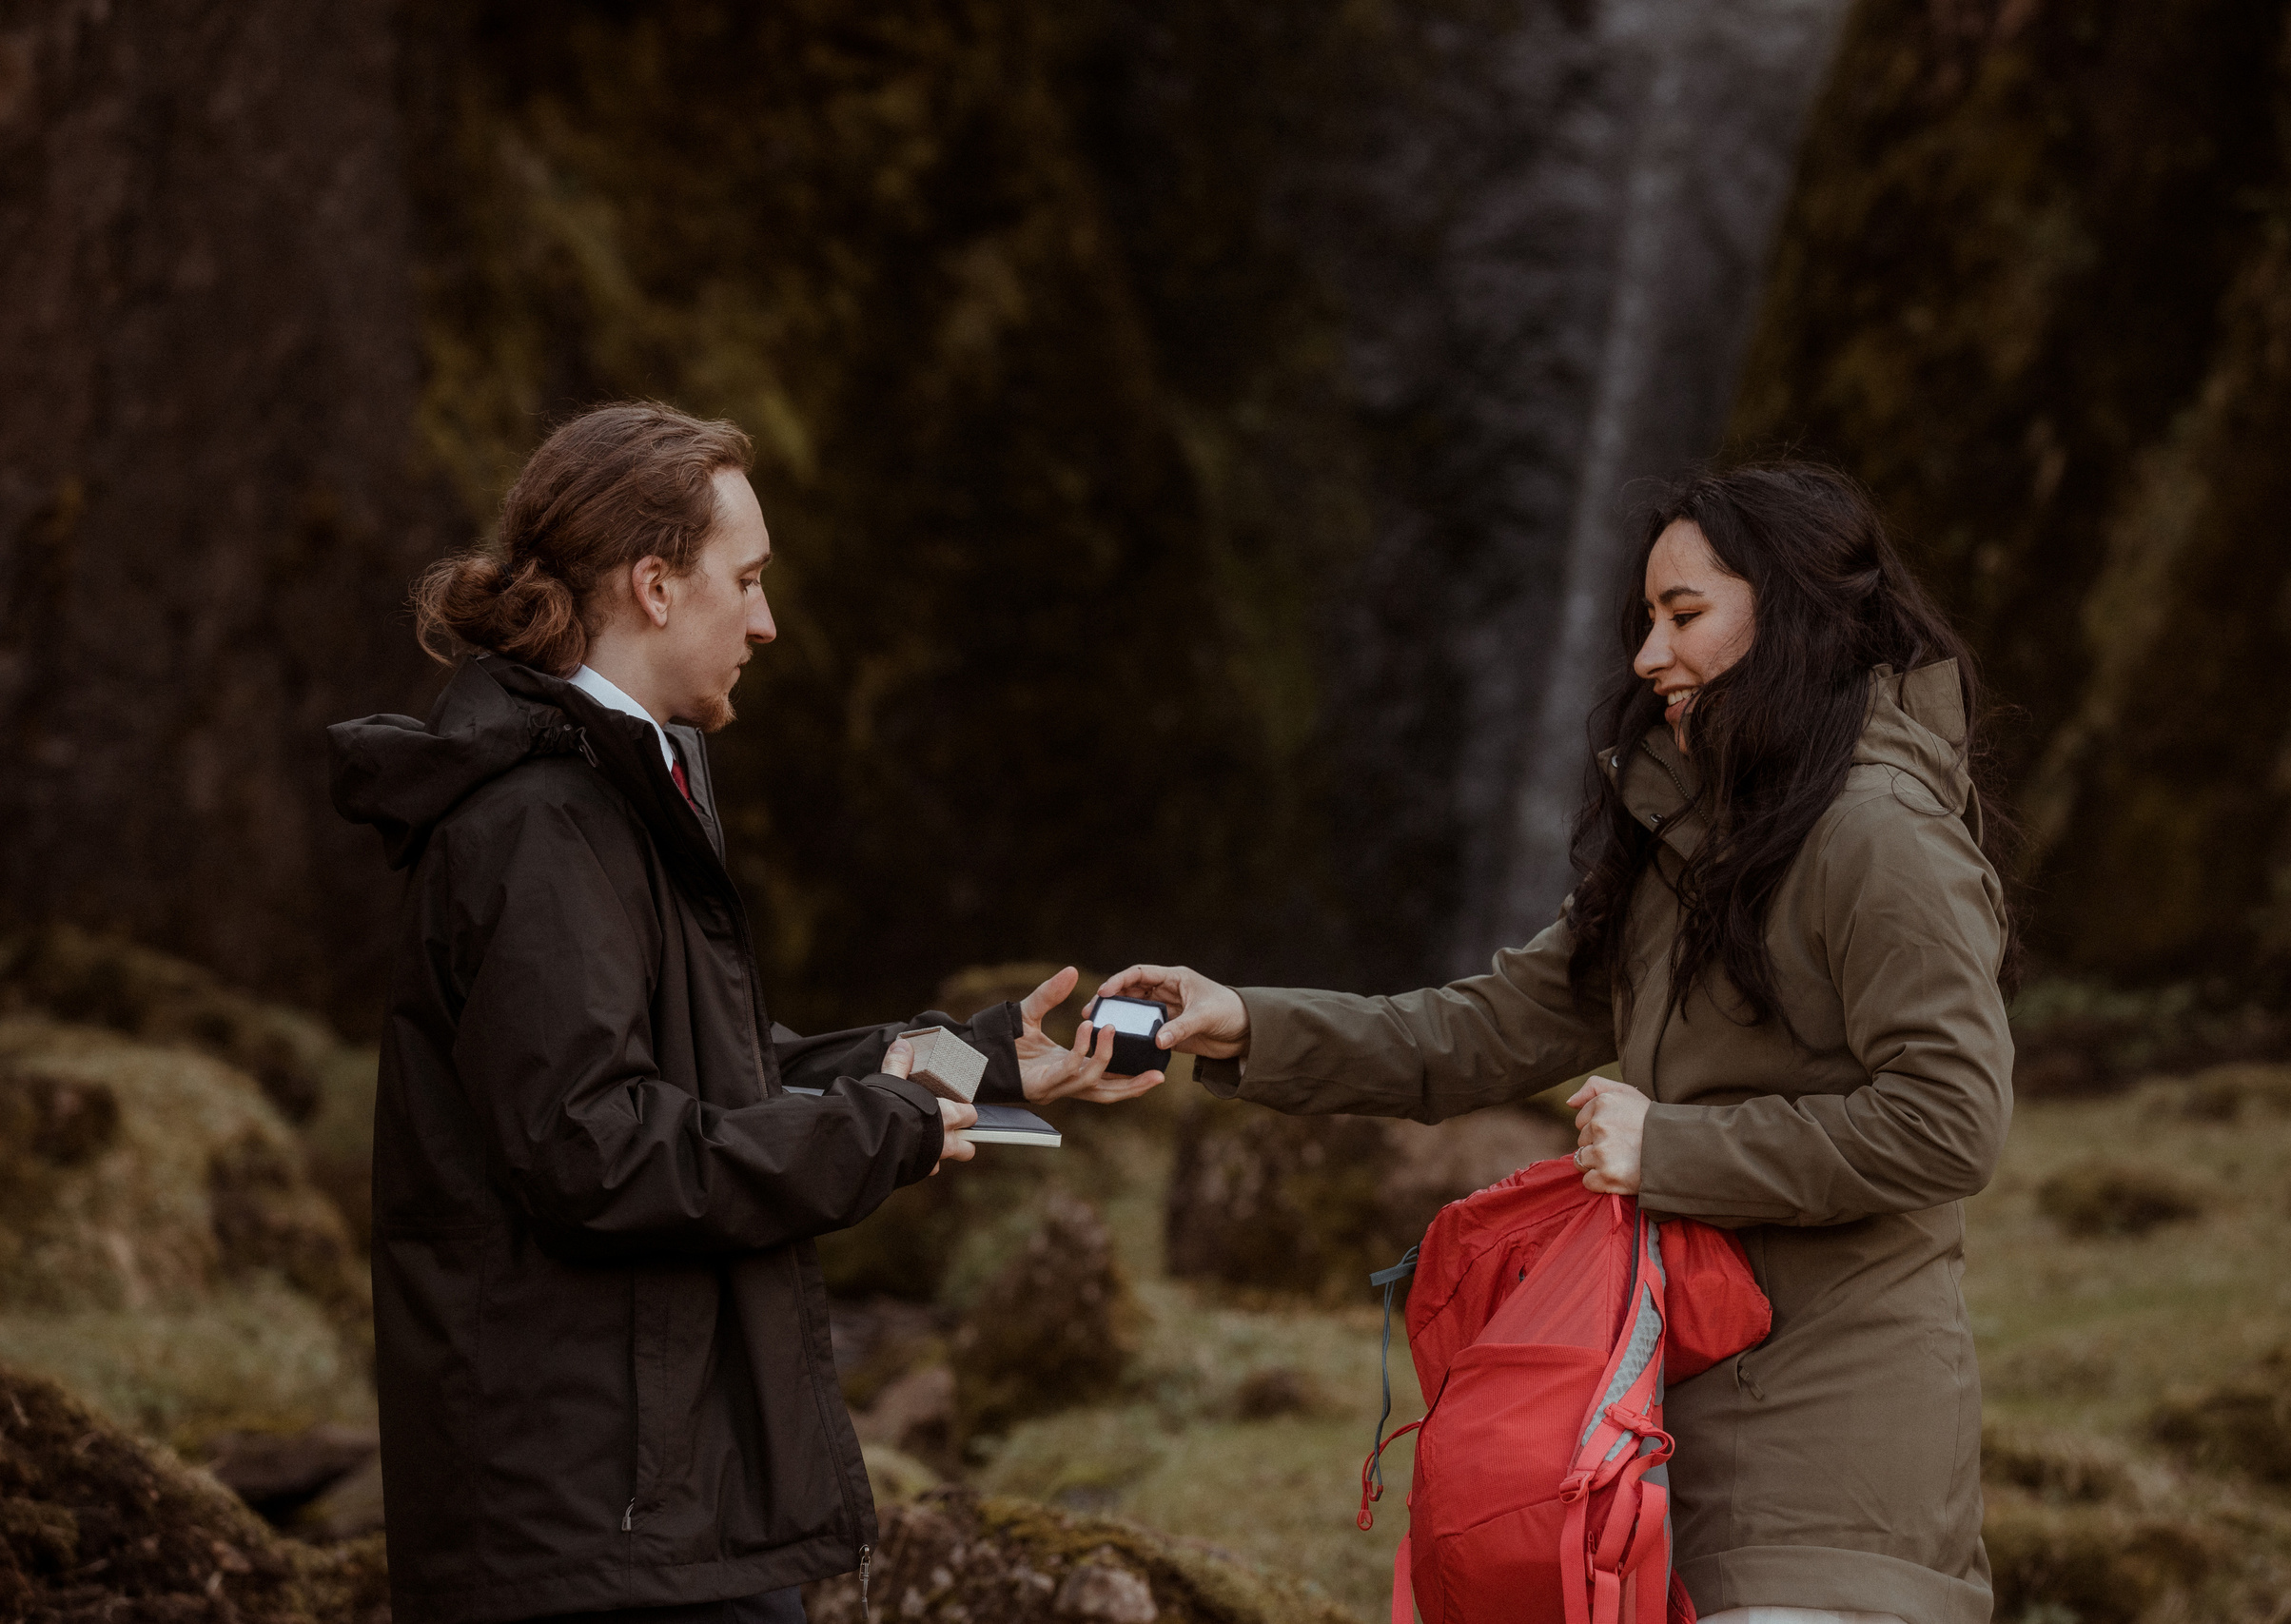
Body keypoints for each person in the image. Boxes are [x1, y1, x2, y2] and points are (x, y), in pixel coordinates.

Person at [1104, 463, 2013, 1624]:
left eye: (1684, 616)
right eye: (1646, 619)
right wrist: (1245, 1020)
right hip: (1645, 1440)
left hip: (1833, 1469)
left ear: (1791, 614)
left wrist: (1669, 1150)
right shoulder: (1691, 842)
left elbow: (1949, 1126)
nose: (1647, 655)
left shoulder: (1881, 834)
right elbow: (1473, 1033)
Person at [329, 402, 1156, 1624]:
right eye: (749, 580)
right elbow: (597, 1150)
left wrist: (975, 1066)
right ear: (654, 585)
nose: (767, 623)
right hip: (584, 1528)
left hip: (648, 1499)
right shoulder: (540, 826)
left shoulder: (629, 780)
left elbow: (718, 1067)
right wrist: (890, 1130)